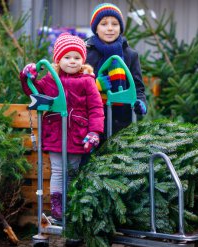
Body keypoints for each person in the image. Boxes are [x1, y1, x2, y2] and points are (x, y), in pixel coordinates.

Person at [20, 33, 104, 219]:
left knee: (72, 170)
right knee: (58, 169)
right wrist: (27, 77)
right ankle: (57, 205)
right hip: (55, 132)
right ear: (58, 59)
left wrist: (94, 132)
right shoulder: (50, 79)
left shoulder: (87, 81)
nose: (72, 61)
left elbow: (96, 108)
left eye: (77, 57)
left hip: (77, 134)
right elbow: (34, 91)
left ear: (83, 60)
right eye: (67, 57)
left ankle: (72, 202)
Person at [86, 2, 147, 136]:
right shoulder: (86, 53)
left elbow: (138, 87)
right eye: (104, 24)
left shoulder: (130, 55)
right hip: (92, 120)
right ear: (96, 28)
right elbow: (76, 85)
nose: (110, 28)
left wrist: (140, 102)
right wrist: (95, 85)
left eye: (115, 24)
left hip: (122, 120)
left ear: (120, 28)